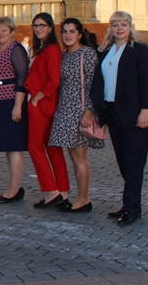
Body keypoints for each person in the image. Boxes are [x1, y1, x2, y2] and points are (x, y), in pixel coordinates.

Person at [90, 10, 148, 227]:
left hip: (135, 115)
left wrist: (145, 110)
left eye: (124, 24)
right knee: (123, 162)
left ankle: (132, 209)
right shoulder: (107, 52)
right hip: (113, 113)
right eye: (116, 24)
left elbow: (146, 83)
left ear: (130, 27)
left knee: (134, 163)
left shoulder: (139, 51)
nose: (119, 28)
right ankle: (129, 203)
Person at [49, 18, 103, 213]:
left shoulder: (86, 54)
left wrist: (89, 111)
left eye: (72, 31)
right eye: (65, 31)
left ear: (80, 34)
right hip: (65, 109)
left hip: (80, 111)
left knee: (80, 157)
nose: (68, 35)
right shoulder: (64, 55)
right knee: (73, 156)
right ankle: (81, 197)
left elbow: (93, 84)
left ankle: (83, 199)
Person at [25, 12, 69, 208]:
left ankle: (52, 191)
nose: (39, 29)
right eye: (36, 25)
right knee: (53, 149)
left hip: (41, 106)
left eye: (43, 25)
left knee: (35, 148)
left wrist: (37, 98)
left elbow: (54, 80)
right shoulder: (44, 49)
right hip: (46, 106)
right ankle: (63, 192)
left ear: (50, 28)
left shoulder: (50, 50)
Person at [0, 16, 29, 204]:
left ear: (12, 32)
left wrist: (18, 106)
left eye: (4, 30)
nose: (0, 33)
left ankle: (13, 188)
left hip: (11, 102)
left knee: (14, 146)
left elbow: (22, 77)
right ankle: (15, 186)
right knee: (7, 147)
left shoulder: (16, 49)